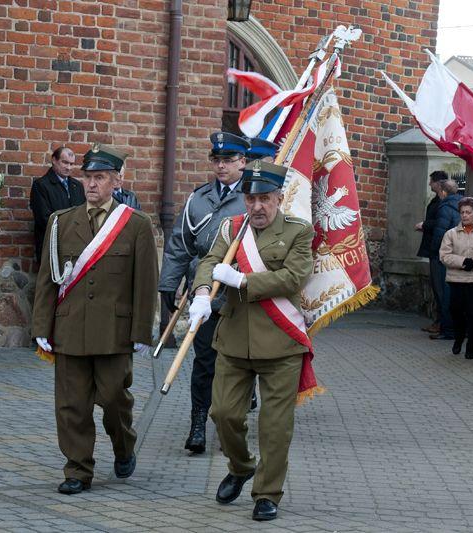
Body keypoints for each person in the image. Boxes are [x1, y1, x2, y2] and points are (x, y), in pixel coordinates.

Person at [189, 160, 314, 522]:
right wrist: (201, 292)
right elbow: (210, 261)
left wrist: (242, 281)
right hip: (233, 341)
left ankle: (267, 492)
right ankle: (241, 466)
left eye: (264, 199)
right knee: (223, 414)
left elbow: (294, 277)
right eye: (250, 198)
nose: (256, 207)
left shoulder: (298, 231)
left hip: (280, 344)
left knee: (275, 427)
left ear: (278, 198)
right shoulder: (231, 229)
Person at [31, 144, 158, 494]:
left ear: (116, 180)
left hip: (113, 331)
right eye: (88, 177)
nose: (91, 184)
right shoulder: (61, 222)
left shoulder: (135, 225)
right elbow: (47, 277)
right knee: (71, 405)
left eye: (99, 177)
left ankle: (123, 445)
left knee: (115, 399)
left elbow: (145, 284)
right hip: (69, 327)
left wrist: (141, 331)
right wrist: (42, 326)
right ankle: (77, 469)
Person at [158, 131, 251, 454]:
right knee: (203, 359)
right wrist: (168, 285)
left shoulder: (254, 196)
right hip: (204, 291)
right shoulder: (198, 199)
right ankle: (198, 422)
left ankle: (232, 423)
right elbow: (180, 244)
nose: (221, 166)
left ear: (243, 161)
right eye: (217, 160)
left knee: (237, 360)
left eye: (228, 160)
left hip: (241, 292)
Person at [438, 197, 473, 358]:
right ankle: (459, 337)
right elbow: (444, 256)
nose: (464, 215)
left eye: (468, 212)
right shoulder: (451, 234)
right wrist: (463, 262)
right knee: (456, 312)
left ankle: (471, 348)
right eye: (462, 212)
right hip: (456, 280)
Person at [29, 147, 85, 262]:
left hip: (75, 248)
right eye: (65, 162)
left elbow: (84, 213)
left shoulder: (77, 186)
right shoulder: (41, 185)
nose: (68, 167)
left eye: (71, 164)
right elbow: (44, 219)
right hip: (52, 247)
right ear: (54, 160)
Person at [415, 170, 448, 334]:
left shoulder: (444, 203)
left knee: (440, 288)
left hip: (438, 250)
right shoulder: (439, 201)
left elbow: (440, 223)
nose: (429, 184)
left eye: (431, 182)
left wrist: (425, 225)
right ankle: (439, 321)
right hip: (434, 248)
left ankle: (442, 323)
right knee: (437, 288)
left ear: (438, 183)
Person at [429, 178, 461, 341]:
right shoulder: (464, 205)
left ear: (443, 192)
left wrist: (435, 252)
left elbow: (440, 233)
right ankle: (455, 328)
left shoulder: (445, 207)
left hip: (445, 256)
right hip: (459, 255)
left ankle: (447, 329)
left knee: (445, 293)